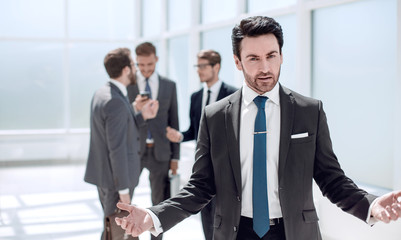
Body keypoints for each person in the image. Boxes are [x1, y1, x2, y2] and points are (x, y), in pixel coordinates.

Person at [115, 16, 401, 240]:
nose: (265, 67)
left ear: (281, 55)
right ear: (238, 62)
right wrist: (154, 216)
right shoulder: (215, 116)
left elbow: (331, 179)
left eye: (271, 55)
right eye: (254, 58)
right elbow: (200, 187)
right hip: (235, 232)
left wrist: (371, 205)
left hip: (295, 233)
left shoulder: (309, 111)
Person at [84, 47, 159, 239]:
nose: (135, 69)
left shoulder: (103, 93)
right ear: (126, 69)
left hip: (104, 176)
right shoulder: (115, 101)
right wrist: (123, 190)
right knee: (114, 231)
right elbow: (116, 149)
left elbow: (119, 129)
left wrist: (142, 115)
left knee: (112, 227)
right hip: (115, 181)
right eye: (133, 65)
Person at [166, 49, 237, 240]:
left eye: (203, 66)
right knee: (206, 214)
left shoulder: (234, 95)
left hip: (227, 167)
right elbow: (194, 130)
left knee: (227, 216)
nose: (199, 70)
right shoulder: (196, 97)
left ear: (217, 67)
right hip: (204, 166)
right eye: (197, 66)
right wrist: (179, 136)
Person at [126, 42, 180, 240]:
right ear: (136, 63)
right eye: (141, 65)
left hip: (161, 153)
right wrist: (136, 109)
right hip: (134, 152)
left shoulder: (169, 85)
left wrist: (176, 157)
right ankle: (130, 236)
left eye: (149, 64)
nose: (146, 69)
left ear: (156, 59)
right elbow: (125, 120)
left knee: (159, 204)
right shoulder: (129, 86)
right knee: (125, 199)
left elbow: (174, 121)